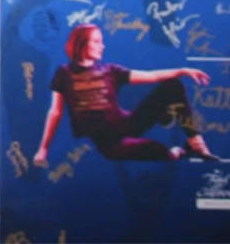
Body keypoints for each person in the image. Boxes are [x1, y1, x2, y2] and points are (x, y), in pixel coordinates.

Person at [34, 24, 217, 165]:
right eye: (97, 41)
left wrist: (182, 70)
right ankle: (178, 151)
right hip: (109, 144)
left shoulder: (111, 71)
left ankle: (196, 143)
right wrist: (43, 149)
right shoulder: (64, 74)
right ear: (81, 44)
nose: (102, 46)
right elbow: (55, 112)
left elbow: (150, 76)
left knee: (173, 86)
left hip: (127, 124)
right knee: (162, 152)